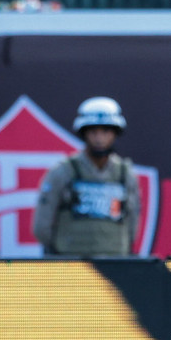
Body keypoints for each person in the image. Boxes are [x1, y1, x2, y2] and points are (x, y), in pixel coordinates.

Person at [33, 96, 141, 256]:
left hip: (115, 265)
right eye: (93, 131)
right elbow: (42, 225)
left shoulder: (125, 174)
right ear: (84, 133)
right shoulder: (63, 172)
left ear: (115, 133)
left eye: (105, 131)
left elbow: (132, 223)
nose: (99, 138)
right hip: (72, 266)